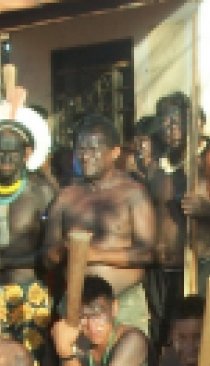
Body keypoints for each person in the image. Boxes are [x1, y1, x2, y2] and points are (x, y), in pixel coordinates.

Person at [146, 92, 210, 347]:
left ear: (198, 124)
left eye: (177, 120)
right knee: (169, 345)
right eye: (165, 122)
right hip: (162, 275)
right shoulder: (156, 168)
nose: (170, 128)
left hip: (204, 266)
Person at [42, 115, 157, 336]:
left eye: (93, 150)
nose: (85, 156)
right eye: (81, 149)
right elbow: (47, 258)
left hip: (123, 304)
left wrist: (94, 254)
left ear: (114, 153)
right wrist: (65, 250)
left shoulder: (133, 193)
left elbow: (147, 253)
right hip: (77, 306)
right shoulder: (66, 196)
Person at [0, 118, 56, 358]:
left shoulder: (41, 190)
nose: (6, 159)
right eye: (0, 152)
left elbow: (52, 254)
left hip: (30, 293)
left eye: (13, 152)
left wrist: (5, 263)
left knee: (31, 362)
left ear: (26, 153)